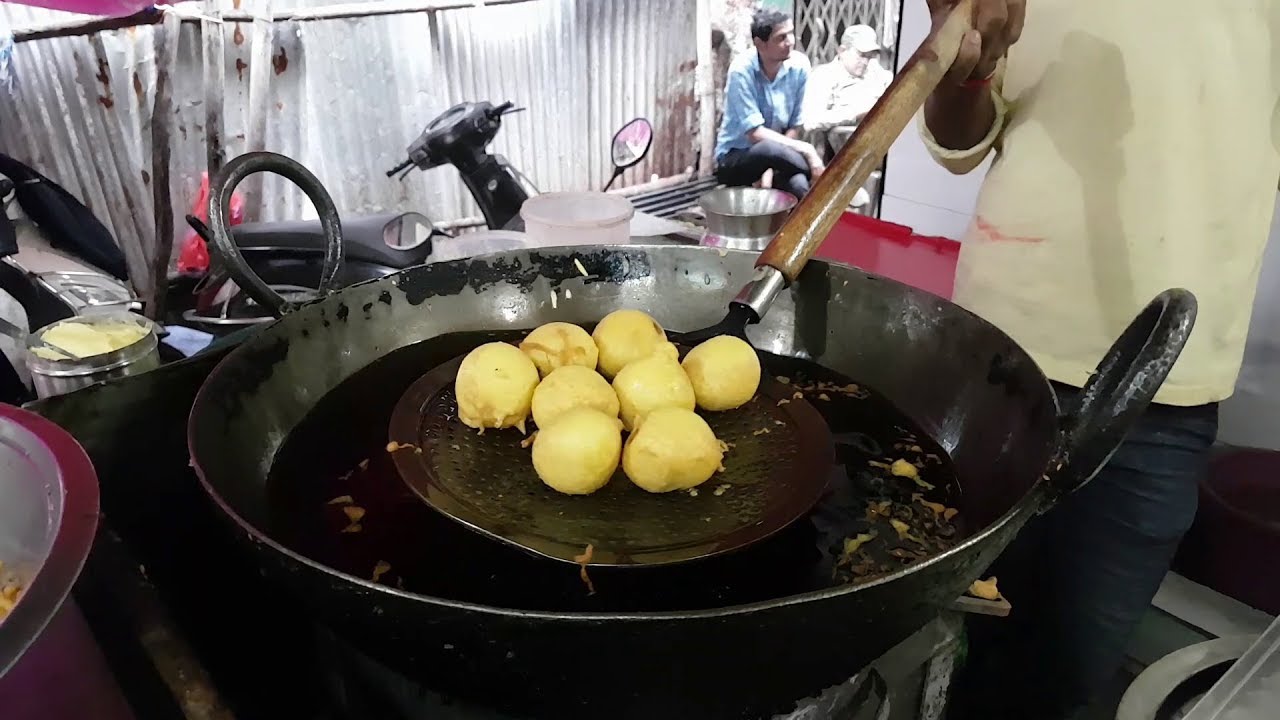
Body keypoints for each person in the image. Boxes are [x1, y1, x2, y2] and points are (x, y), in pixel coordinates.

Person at [918, 1, 1280, 718]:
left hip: (1164, 385)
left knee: (1070, 672)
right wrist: (968, 67)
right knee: (942, 642)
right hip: (996, 360)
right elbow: (959, 137)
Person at [714, 9, 824, 199]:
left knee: (799, 184)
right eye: (781, 37)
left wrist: (772, 167)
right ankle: (829, 178)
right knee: (768, 149)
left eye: (791, 33)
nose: (790, 41)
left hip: (781, 156)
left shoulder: (799, 67)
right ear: (760, 44)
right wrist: (808, 151)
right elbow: (755, 134)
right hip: (737, 158)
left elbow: (793, 125)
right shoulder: (742, 71)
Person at [801, 24, 893, 153]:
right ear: (842, 51)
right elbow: (811, 121)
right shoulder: (824, 75)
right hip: (842, 150)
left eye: (870, 56)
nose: (865, 62)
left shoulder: (877, 73)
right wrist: (855, 114)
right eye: (861, 55)